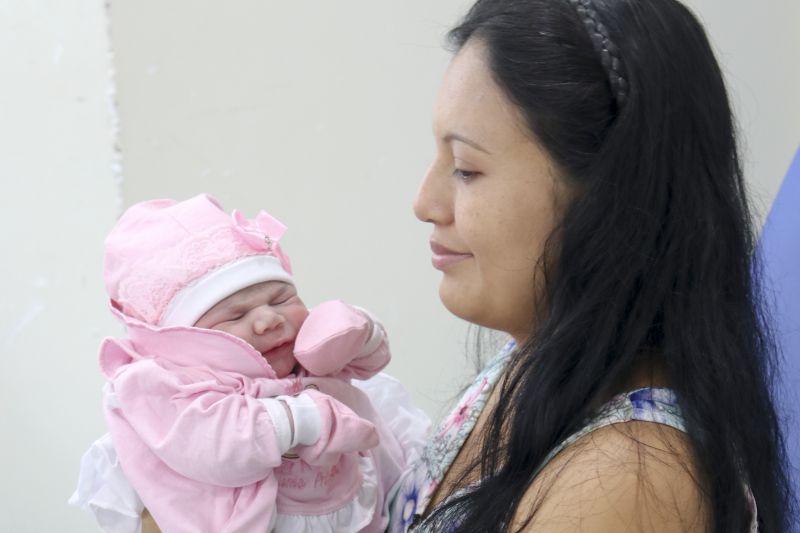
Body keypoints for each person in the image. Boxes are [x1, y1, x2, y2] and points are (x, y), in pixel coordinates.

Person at [382, 0, 794, 532]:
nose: (425, 202)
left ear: (608, 196)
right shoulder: (529, 362)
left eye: (466, 169)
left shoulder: (631, 477)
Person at [70, 194, 429, 533]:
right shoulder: (165, 390)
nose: (267, 320)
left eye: (280, 297)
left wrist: (354, 333)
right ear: (188, 341)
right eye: (236, 315)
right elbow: (211, 443)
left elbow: (369, 363)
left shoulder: (304, 360)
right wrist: (303, 418)